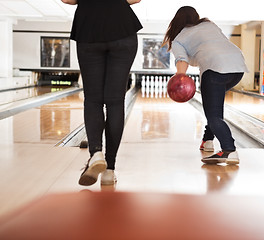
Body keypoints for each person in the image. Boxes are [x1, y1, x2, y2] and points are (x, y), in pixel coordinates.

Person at [61, 0, 142, 185]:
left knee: (93, 100)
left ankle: (96, 153)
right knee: (115, 102)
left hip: (88, 29)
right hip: (123, 29)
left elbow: (67, 0)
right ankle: (109, 170)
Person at [162, 6, 248, 164]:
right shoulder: (209, 25)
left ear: (176, 21)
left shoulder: (178, 39)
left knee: (213, 115)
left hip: (215, 70)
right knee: (214, 107)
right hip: (237, 68)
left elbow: (182, 61)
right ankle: (208, 140)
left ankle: (229, 150)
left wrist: (179, 80)